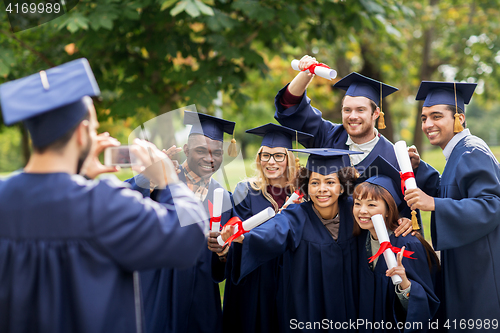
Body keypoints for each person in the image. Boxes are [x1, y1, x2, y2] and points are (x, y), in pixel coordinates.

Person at [0, 59, 207, 333]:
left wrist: (79, 174)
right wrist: (168, 181)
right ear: (81, 132)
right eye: (95, 127)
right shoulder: (104, 203)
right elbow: (189, 237)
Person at [273, 55, 423, 232]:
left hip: (364, 246)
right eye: (347, 110)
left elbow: (404, 208)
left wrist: (404, 220)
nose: (352, 116)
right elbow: (289, 107)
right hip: (319, 236)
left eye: (360, 110)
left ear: (376, 114)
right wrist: (306, 73)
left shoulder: (394, 157)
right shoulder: (326, 135)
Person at [221, 148, 364, 332]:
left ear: (342, 186)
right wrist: (244, 238)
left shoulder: (354, 211)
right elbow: (274, 230)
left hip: (349, 306)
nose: (322, 189)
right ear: (305, 186)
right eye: (314, 182)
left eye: (330, 182)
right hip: (308, 310)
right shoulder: (296, 215)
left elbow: (380, 218)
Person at [126, 110, 235, 333]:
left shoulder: (223, 197)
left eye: (216, 152)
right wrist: (149, 177)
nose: (210, 158)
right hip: (159, 289)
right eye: (201, 151)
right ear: (186, 150)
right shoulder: (162, 181)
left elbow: (221, 271)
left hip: (201, 301)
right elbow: (125, 202)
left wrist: (223, 254)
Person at [405, 81, 500, 330]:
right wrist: (420, 168)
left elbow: (491, 205)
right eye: (424, 117)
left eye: (437, 116)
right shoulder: (458, 152)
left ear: (459, 118)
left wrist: (433, 204)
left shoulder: (472, 151)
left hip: (479, 270)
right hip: (466, 264)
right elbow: (453, 189)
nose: (428, 124)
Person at [221, 123, 313, 333]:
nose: (271, 162)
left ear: (289, 158)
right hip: (255, 277)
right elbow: (242, 236)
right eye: (266, 156)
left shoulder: (303, 193)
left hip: (291, 274)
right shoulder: (246, 190)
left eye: (278, 156)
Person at [353, 156, 441, 332]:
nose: (362, 211)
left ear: (388, 210)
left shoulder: (408, 245)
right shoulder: (359, 240)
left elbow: (427, 303)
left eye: (371, 204)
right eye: (357, 204)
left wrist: (405, 285)